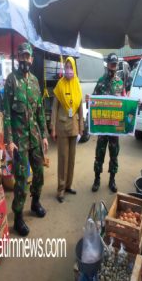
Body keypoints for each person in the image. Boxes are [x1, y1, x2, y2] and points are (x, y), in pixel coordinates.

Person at [3, 42, 49, 236]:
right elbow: (6, 113)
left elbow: (40, 112)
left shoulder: (35, 82)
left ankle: (36, 202)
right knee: (21, 181)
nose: (24, 60)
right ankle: (18, 217)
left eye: (27, 56)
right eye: (21, 56)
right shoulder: (11, 81)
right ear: (18, 57)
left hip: (35, 138)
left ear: (31, 59)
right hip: (19, 142)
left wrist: (45, 136)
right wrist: (9, 140)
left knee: (39, 174)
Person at [51, 57, 83, 203]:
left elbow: (80, 109)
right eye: (67, 67)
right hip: (62, 127)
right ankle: (61, 189)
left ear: (74, 68)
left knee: (71, 159)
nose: (68, 70)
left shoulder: (77, 84)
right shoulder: (60, 84)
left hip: (74, 127)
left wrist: (82, 127)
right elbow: (54, 109)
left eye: (71, 67)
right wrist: (52, 128)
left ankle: (69, 185)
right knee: (63, 159)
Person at [90, 53, 124, 193]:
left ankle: (112, 180)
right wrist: (89, 100)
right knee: (100, 153)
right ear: (107, 64)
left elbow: (124, 101)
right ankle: (97, 179)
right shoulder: (100, 81)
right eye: (111, 64)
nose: (113, 67)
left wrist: (133, 104)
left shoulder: (120, 83)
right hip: (103, 126)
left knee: (114, 154)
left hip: (115, 127)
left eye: (115, 65)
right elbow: (94, 100)